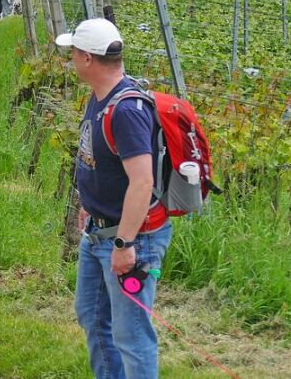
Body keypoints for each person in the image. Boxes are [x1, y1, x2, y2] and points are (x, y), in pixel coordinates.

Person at [56, 19, 172, 379]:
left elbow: (142, 182)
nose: (70, 59)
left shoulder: (125, 111)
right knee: (91, 315)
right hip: (98, 232)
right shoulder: (100, 96)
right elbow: (100, 162)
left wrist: (125, 243)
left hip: (130, 241)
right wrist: (88, 207)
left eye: (73, 52)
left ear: (88, 58)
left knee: (132, 336)